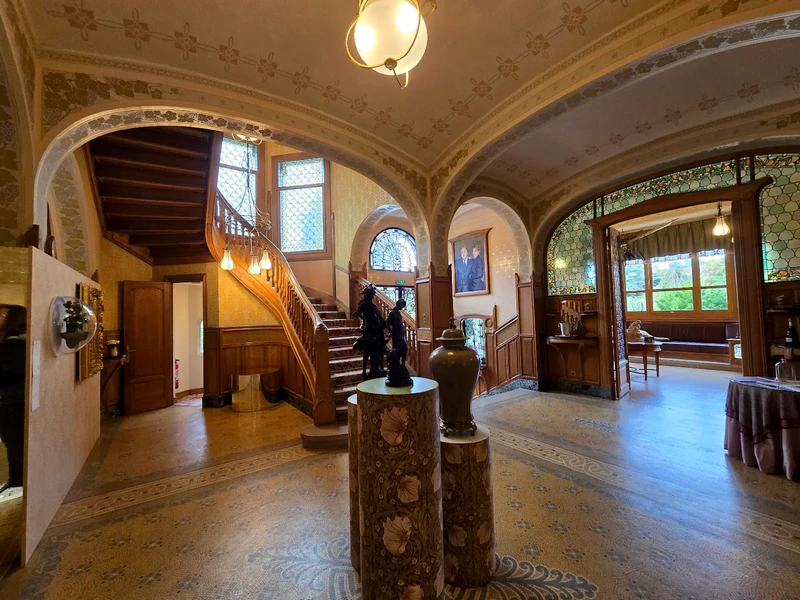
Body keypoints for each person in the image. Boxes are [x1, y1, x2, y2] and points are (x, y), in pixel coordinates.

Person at [0, 306, 26, 493]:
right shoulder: (19, 343)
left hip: (12, 398)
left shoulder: (13, 346)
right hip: (16, 397)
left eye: (4, 314)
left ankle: (17, 480)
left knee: (14, 440)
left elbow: (7, 374)